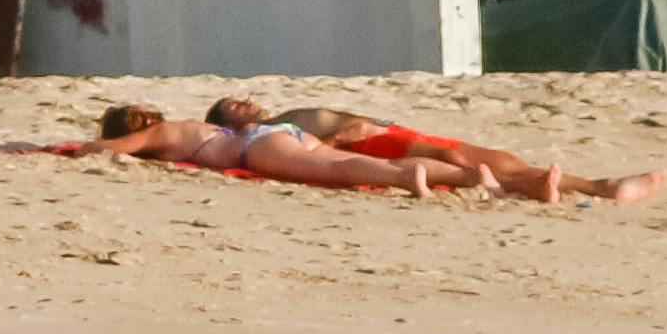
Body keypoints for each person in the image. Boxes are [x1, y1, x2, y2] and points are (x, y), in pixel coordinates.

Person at [211, 95, 667, 206]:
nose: (244, 102)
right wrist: (342, 136)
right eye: (233, 106)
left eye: (241, 98)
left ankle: (591, 186)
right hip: (375, 143)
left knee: (484, 158)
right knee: (461, 161)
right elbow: (320, 153)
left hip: (388, 132)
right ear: (226, 123)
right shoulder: (265, 135)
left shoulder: (280, 119)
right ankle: (599, 186)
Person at [56, 102, 448, 196]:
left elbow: (111, 148)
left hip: (256, 147)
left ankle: (405, 179)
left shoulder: (161, 135)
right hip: (278, 133)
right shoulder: (189, 125)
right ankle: (466, 176)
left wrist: (82, 148)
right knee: (351, 159)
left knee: (338, 171)